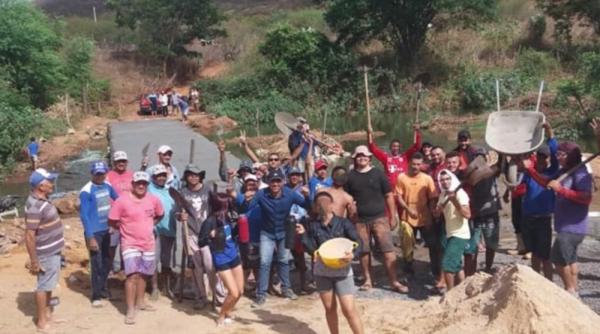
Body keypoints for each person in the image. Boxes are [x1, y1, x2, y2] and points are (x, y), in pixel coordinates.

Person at [525, 120, 596, 295]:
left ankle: (569, 290)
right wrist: (532, 171)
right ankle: (575, 290)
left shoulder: (581, 174)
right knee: (570, 260)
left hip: (573, 228)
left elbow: (586, 198)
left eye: (562, 154)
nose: (559, 156)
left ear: (570, 155)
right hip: (565, 226)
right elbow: (546, 182)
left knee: (557, 258)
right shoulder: (563, 172)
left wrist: (562, 190)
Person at [297, 192, 364, 334]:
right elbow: (312, 250)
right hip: (322, 272)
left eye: (326, 202)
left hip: (343, 272)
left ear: (332, 205)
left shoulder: (343, 222)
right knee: (329, 308)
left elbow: (358, 242)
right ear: (315, 207)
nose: (323, 206)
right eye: (319, 203)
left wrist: (353, 254)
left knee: (348, 309)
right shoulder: (313, 226)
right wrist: (303, 234)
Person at [344, 145, 407, 293]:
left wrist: (392, 216)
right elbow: (347, 197)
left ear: (370, 158)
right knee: (364, 251)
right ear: (354, 158)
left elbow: (389, 195)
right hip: (360, 220)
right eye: (359, 155)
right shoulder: (350, 176)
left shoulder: (378, 173)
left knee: (388, 250)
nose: (362, 157)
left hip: (380, 217)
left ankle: (394, 281)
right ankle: (368, 280)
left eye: (364, 155)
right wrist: (350, 209)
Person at [108, 171, 164, 325]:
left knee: (144, 274)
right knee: (132, 275)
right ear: (132, 184)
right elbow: (113, 220)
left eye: (144, 183)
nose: (141, 186)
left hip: (148, 243)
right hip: (129, 243)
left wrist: (150, 225)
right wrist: (124, 228)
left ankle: (140, 302)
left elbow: (160, 214)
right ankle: (130, 309)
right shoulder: (121, 201)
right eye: (138, 183)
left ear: (147, 185)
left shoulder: (154, 200)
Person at [250, 169, 309, 306]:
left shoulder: (290, 194)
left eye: (278, 181)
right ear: (268, 182)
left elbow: (307, 205)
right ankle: (261, 294)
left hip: (284, 231)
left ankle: (286, 289)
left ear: (283, 182)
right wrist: (247, 199)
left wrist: (307, 196)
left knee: (284, 260)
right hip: (267, 233)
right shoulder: (261, 194)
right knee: (265, 262)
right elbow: (246, 208)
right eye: (272, 181)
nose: (275, 184)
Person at [179, 164, 226, 309]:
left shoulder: (208, 190)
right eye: (190, 174)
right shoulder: (182, 192)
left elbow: (218, 209)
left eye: (196, 174)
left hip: (207, 233)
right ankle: (200, 297)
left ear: (201, 176)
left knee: (211, 266)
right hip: (191, 233)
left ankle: (219, 297)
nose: (194, 177)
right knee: (196, 268)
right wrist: (181, 216)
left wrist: (215, 226)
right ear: (186, 176)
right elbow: (176, 212)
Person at [25, 168, 63, 331]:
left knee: (49, 285)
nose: (52, 183)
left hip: (52, 249)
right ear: (41, 186)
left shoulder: (41, 200)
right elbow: (29, 235)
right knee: (43, 285)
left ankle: (47, 314)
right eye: (49, 181)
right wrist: (34, 260)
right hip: (45, 252)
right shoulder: (35, 206)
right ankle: (41, 321)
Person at [199, 189, 244, 326]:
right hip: (221, 259)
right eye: (226, 204)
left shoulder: (228, 217)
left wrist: (240, 226)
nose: (228, 206)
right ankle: (221, 315)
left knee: (241, 291)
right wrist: (210, 236)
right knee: (234, 292)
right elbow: (201, 241)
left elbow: (233, 233)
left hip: (234, 256)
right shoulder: (210, 221)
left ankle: (228, 311)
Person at [79, 161, 118, 307]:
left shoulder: (107, 185)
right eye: (98, 174)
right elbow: (84, 215)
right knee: (96, 262)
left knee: (108, 260)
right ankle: (95, 296)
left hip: (107, 229)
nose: (100, 176)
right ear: (92, 174)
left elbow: (118, 200)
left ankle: (102, 288)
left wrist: (115, 221)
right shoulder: (86, 191)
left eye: (102, 173)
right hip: (94, 232)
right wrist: (90, 237)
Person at [520, 134, 558, 280]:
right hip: (528, 217)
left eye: (546, 157)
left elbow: (554, 152)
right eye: (541, 156)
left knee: (545, 255)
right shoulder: (529, 173)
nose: (543, 159)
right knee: (534, 253)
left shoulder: (553, 172)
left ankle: (549, 282)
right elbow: (517, 182)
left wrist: (550, 135)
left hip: (543, 218)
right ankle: (537, 281)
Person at [395, 153, 438, 276]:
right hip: (407, 216)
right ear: (409, 163)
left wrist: (430, 215)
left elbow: (432, 198)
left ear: (422, 164)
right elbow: (399, 196)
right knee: (407, 244)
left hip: (424, 217)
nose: (416, 167)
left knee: (432, 244)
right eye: (413, 164)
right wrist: (408, 209)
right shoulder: (402, 177)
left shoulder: (427, 178)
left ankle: (435, 268)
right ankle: (408, 267)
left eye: (418, 164)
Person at [434, 170, 470, 291]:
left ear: (452, 179)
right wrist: (438, 211)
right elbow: (437, 214)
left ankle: (450, 293)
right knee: (457, 265)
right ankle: (463, 291)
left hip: (460, 234)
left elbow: (467, 214)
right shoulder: (443, 195)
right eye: (442, 180)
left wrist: (455, 201)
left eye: (447, 179)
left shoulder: (460, 194)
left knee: (447, 265)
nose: (445, 182)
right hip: (450, 233)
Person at [466, 148, 501, 274]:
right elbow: (472, 180)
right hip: (475, 213)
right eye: (477, 156)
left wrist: (499, 156)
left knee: (491, 243)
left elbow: (501, 168)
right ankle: (472, 272)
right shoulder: (471, 173)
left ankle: (488, 268)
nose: (479, 159)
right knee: (473, 245)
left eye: (482, 156)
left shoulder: (493, 170)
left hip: (491, 212)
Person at [148, 164, 178, 299]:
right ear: (153, 177)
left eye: (163, 175)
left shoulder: (171, 190)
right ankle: (154, 288)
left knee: (166, 260)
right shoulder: (149, 188)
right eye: (158, 176)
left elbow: (178, 208)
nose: (161, 178)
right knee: (154, 259)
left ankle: (166, 287)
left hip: (169, 230)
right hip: (154, 230)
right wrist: (143, 165)